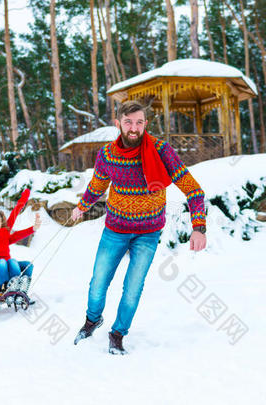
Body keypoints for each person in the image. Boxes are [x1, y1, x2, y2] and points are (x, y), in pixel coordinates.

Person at [70, 100, 207, 355]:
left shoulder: (161, 150)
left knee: (133, 287)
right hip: (115, 230)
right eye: (129, 122)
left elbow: (193, 190)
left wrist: (199, 227)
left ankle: (118, 333)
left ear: (145, 124)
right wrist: (82, 206)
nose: (134, 128)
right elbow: (97, 187)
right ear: (118, 123)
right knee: (98, 282)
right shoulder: (107, 155)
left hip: (148, 233)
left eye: (139, 122)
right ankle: (92, 319)